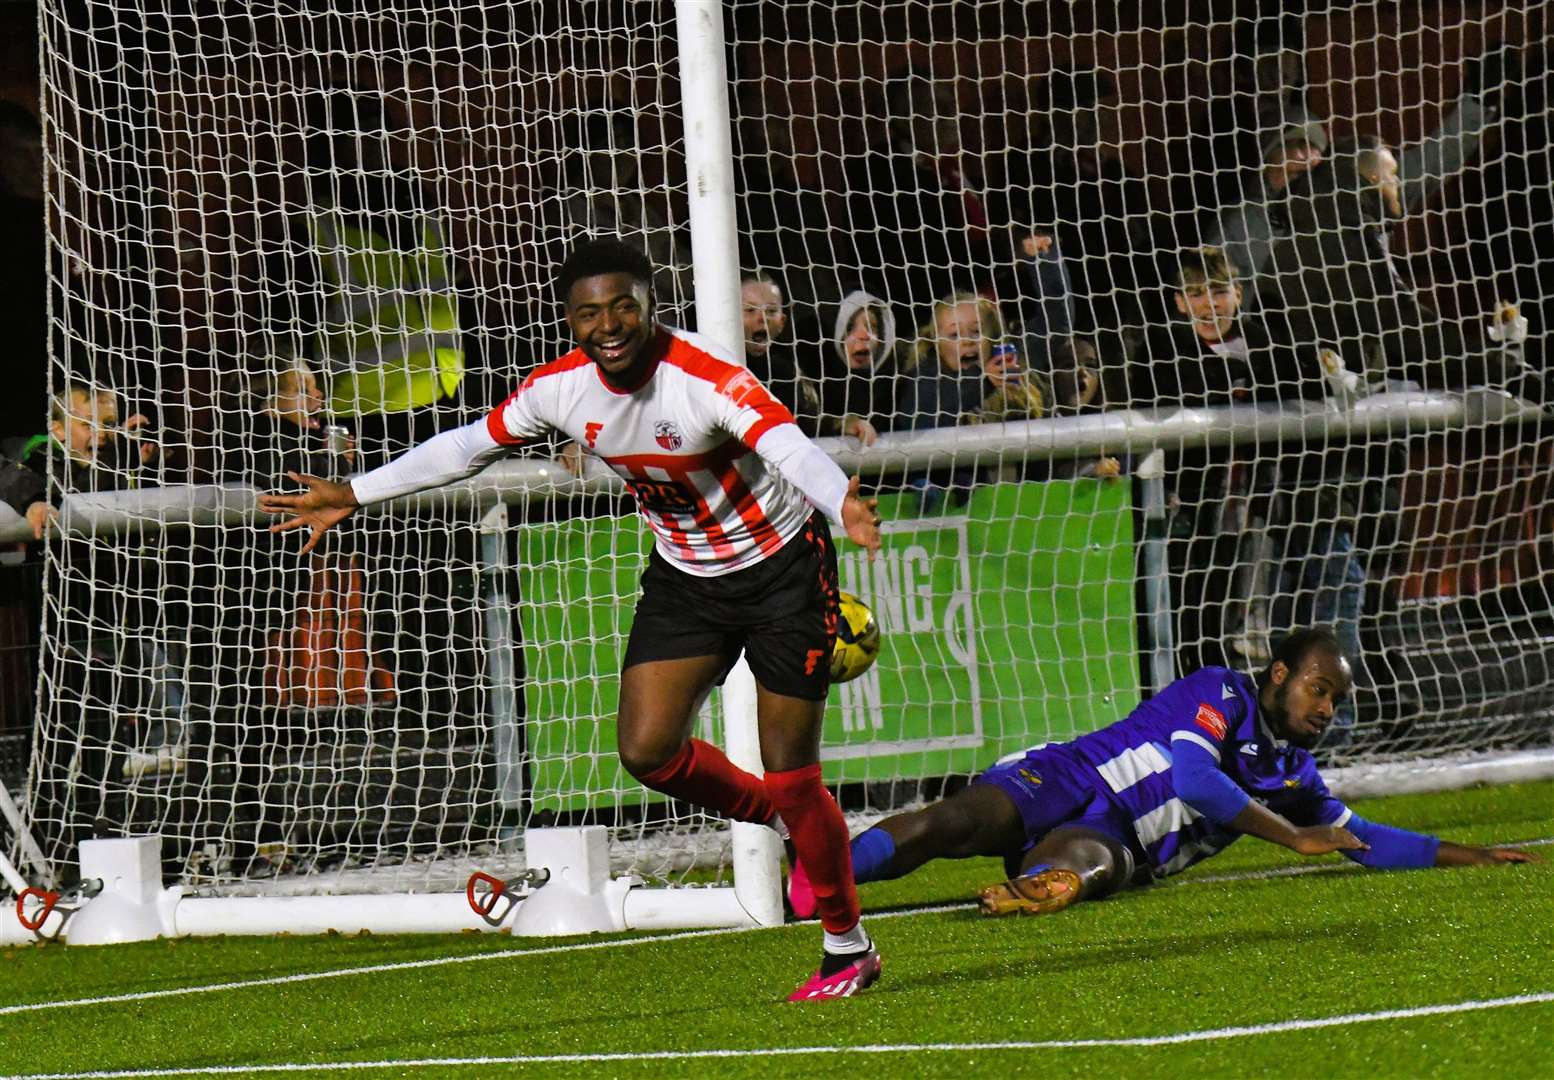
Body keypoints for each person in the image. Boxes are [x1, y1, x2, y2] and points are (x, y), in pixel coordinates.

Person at [262, 237, 886, 1001]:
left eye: (623, 304)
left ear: (650, 303)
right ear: (570, 319)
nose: (609, 324)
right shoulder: (559, 390)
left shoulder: (704, 378)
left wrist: (839, 500)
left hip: (784, 570)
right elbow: (468, 447)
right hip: (688, 578)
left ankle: (845, 944)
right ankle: (797, 827)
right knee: (648, 752)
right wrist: (355, 493)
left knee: (794, 773)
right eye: (589, 312)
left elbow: (783, 442)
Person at [788, 627, 1540, 921]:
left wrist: (1468, 854)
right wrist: (1290, 837)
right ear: (1279, 674)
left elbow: (1361, 838)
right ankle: (812, 880)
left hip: (1110, 837)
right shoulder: (1219, 691)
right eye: (1319, 690)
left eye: (1337, 701)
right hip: (1071, 775)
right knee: (947, 825)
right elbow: (1196, 782)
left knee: (1095, 867)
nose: (1327, 709)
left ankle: (1042, 885)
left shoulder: (1295, 774)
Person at [740, 270, 822, 437]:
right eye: (750, 310)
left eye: (771, 311)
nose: (762, 318)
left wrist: (839, 424)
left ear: (782, 322)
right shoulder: (707, 368)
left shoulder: (789, 376)